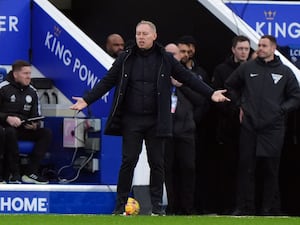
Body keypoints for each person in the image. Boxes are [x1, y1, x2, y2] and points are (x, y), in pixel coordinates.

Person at [70, 20, 229, 216]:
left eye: (145, 34)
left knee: (157, 163)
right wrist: (87, 100)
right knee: (128, 161)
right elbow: (108, 81)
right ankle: (119, 207)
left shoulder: (166, 58)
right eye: (138, 34)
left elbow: (187, 78)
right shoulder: (125, 58)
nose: (141, 37)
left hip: (156, 120)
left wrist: (211, 93)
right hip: (131, 120)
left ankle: (156, 208)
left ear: (154, 36)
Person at [225, 35, 300, 216]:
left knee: (270, 169)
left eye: (264, 45)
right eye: (258, 45)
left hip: (273, 128)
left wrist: (281, 110)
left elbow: (296, 97)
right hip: (250, 126)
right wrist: (240, 104)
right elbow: (230, 85)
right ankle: (244, 207)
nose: (259, 48)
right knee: (246, 168)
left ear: (273, 48)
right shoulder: (248, 67)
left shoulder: (285, 71)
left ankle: (269, 209)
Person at [164, 43, 205, 215]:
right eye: (169, 53)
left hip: (186, 131)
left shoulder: (188, 76)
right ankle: (170, 207)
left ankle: (188, 207)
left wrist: (181, 85)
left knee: (188, 169)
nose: (173, 56)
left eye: (175, 53)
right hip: (164, 131)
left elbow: (200, 100)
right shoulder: (157, 75)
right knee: (167, 170)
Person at [212, 35, 251, 214]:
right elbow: (218, 97)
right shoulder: (222, 70)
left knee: (246, 168)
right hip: (228, 127)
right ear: (233, 49)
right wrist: (235, 110)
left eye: (247, 49)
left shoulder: (254, 69)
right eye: (241, 48)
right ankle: (225, 206)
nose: (244, 52)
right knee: (226, 168)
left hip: (250, 128)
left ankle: (244, 205)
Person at [0, 60, 52, 184]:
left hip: (24, 128)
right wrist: (7, 118)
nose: (29, 76)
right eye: (25, 73)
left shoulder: (32, 92)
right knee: (9, 132)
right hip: (5, 127)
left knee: (46, 133)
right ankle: (14, 174)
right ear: (15, 74)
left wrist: (35, 125)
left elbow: (36, 115)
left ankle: (31, 172)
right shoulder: (3, 88)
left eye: (29, 73)